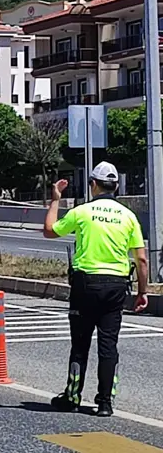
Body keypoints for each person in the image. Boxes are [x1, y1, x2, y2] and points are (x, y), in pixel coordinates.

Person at [43, 161, 148, 417]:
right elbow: (141, 259)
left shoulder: (82, 212)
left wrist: (56, 200)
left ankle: (72, 397)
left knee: (80, 344)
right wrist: (142, 292)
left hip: (85, 285)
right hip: (116, 286)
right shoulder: (128, 216)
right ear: (116, 186)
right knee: (108, 346)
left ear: (93, 184)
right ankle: (105, 403)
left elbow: (50, 231)